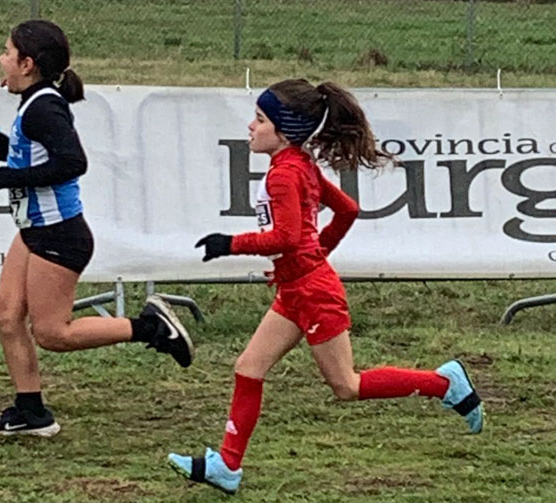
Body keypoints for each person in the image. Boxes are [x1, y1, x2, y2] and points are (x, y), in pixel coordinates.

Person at [167, 79, 483, 493]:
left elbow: (284, 237)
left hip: (313, 293)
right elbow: (346, 210)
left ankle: (444, 384)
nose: (250, 126)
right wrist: (309, 258)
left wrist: (230, 244)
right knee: (248, 367)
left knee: (346, 386)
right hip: (297, 289)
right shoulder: (297, 164)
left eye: (259, 119)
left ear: (285, 130)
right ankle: (227, 466)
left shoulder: (286, 174)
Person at [0, 20, 193, 437]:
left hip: (58, 234)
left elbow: (73, 162)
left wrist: (13, 176)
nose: (1, 60)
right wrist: (6, 152)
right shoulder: (35, 101)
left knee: (52, 334)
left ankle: (150, 327)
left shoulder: (44, 106)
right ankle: (32, 413)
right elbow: (44, 154)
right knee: (6, 315)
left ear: (27, 64)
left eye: (6, 52)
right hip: (35, 228)